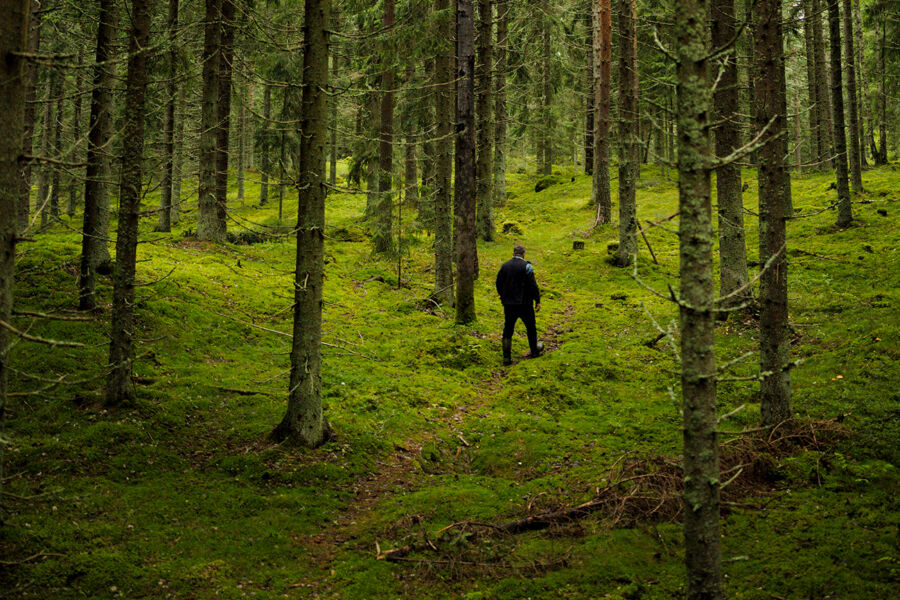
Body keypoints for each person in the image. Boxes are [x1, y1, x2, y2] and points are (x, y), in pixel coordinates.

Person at [495, 244, 543, 365]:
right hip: (525, 303)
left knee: (508, 329)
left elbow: (498, 283)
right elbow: (533, 285)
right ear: (523, 254)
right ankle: (534, 351)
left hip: (509, 303)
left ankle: (506, 357)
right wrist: (537, 300)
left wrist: (503, 296)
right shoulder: (527, 266)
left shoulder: (504, 266)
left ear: (513, 253)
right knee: (531, 327)